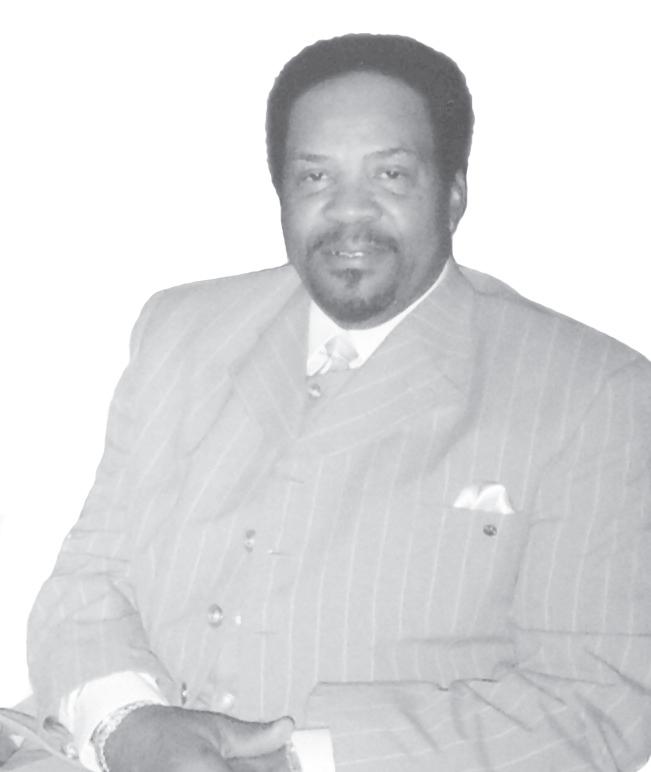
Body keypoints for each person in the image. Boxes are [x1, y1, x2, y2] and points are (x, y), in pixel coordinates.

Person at [3, 32, 651, 772]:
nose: (349, 212)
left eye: (391, 175)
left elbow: (600, 702)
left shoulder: (592, 394)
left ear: (454, 191)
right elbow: (88, 581)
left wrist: (296, 758)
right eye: (314, 176)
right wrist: (125, 723)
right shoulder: (180, 330)